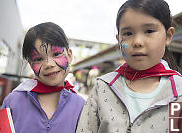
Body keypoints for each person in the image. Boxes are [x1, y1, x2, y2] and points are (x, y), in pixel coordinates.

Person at [76, 0, 182, 132]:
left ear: (168, 36)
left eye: (149, 31)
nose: (137, 42)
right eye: (128, 34)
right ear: (118, 39)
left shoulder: (178, 92)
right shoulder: (103, 87)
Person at [2, 22, 85, 133]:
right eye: (38, 59)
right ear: (31, 65)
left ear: (69, 56)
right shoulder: (12, 102)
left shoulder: (81, 107)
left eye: (56, 54)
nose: (48, 64)